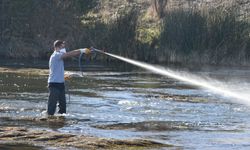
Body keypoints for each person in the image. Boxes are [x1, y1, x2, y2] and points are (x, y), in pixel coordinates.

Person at [47, 40, 91, 116]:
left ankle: (60, 123)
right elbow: (69, 54)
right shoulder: (56, 55)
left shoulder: (59, 57)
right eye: (62, 47)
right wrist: (81, 50)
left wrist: (65, 75)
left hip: (61, 85)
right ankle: (49, 121)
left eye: (64, 47)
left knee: (63, 109)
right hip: (54, 85)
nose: (64, 49)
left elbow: (57, 70)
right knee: (51, 108)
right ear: (57, 47)